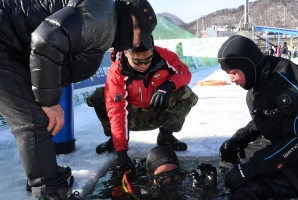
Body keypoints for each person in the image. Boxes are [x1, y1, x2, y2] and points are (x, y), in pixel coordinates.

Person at [0, 0, 157, 199]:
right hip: (4, 42)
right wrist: (50, 102)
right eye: (140, 36)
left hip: (12, 47)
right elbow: (46, 40)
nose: (137, 43)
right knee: (33, 121)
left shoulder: (106, 23)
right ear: (133, 20)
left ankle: (44, 173)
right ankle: (50, 191)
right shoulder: (102, 17)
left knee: (36, 114)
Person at [86, 41, 198, 172]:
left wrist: (168, 86)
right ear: (126, 54)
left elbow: (184, 73)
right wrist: (121, 152)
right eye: (138, 62)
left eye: (148, 60)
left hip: (157, 111)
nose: (143, 65)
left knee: (187, 94)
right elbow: (117, 111)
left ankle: (166, 137)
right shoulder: (117, 72)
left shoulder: (165, 56)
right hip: (131, 117)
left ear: (152, 51)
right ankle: (115, 141)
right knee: (99, 95)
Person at [217, 35, 298, 199]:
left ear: (247, 66)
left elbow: (297, 140)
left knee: (249, 190)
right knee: (229, 161)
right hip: (279, 142)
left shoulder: (288, 87)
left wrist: (252, 169)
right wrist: (239, 138)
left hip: (295, 152)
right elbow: (267, 117)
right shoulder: (258, 83)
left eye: (233, 73)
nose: (231, 79)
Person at [110, 146, 218, 199]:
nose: (171, 182)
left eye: (175, 174)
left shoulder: (187, 184)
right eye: (163, 177)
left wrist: (208, 192)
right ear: (152, 178)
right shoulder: (138, 192)